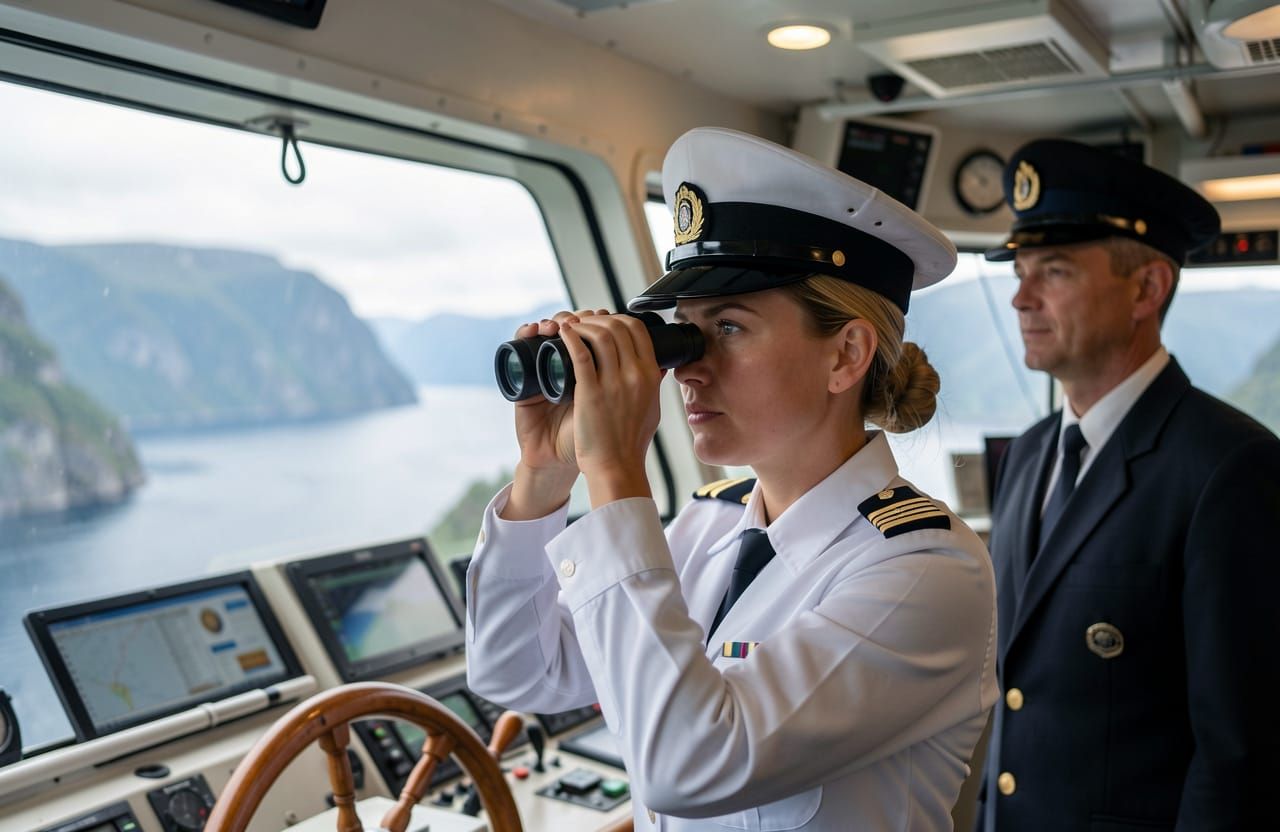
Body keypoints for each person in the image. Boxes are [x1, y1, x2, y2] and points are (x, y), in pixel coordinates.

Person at [465, 126, 997, 831]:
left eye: (730, 328)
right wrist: (545, 473)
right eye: (683, 332)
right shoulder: (708, 526)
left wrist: (616, 470)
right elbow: (514, 672)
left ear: (845, 354)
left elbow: (688, 764)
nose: (687, 367)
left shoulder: (925, 571)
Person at [976, 139, 1280, 831]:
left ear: (1147, 289)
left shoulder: (1230, 468)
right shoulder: (1027, 455)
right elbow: (1017, 696)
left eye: (1053, 271)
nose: (1021, 297)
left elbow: (1238, 756)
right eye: (1020, 272)